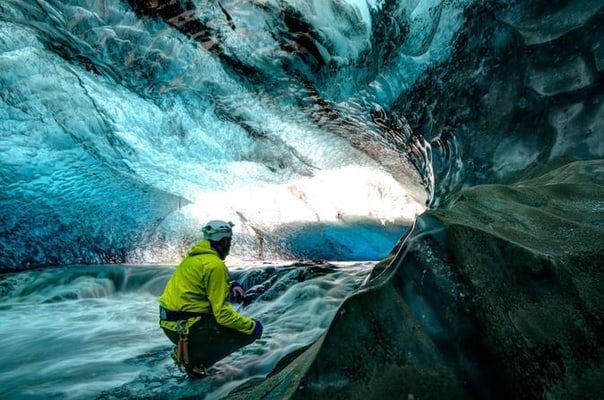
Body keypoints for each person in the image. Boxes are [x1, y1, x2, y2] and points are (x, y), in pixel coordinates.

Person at [159, 220, 263, 378]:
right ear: (224, 241)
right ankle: (195, 361)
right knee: (247, 331)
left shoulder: (193, 259)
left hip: (170, 325)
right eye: (229, 241)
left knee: (214, 317)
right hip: (189, 329)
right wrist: (253, 327)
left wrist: (231, 284)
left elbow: (200, 284)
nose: (229, 246)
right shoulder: (215, 265)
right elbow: (223, 314)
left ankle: (189, 351)